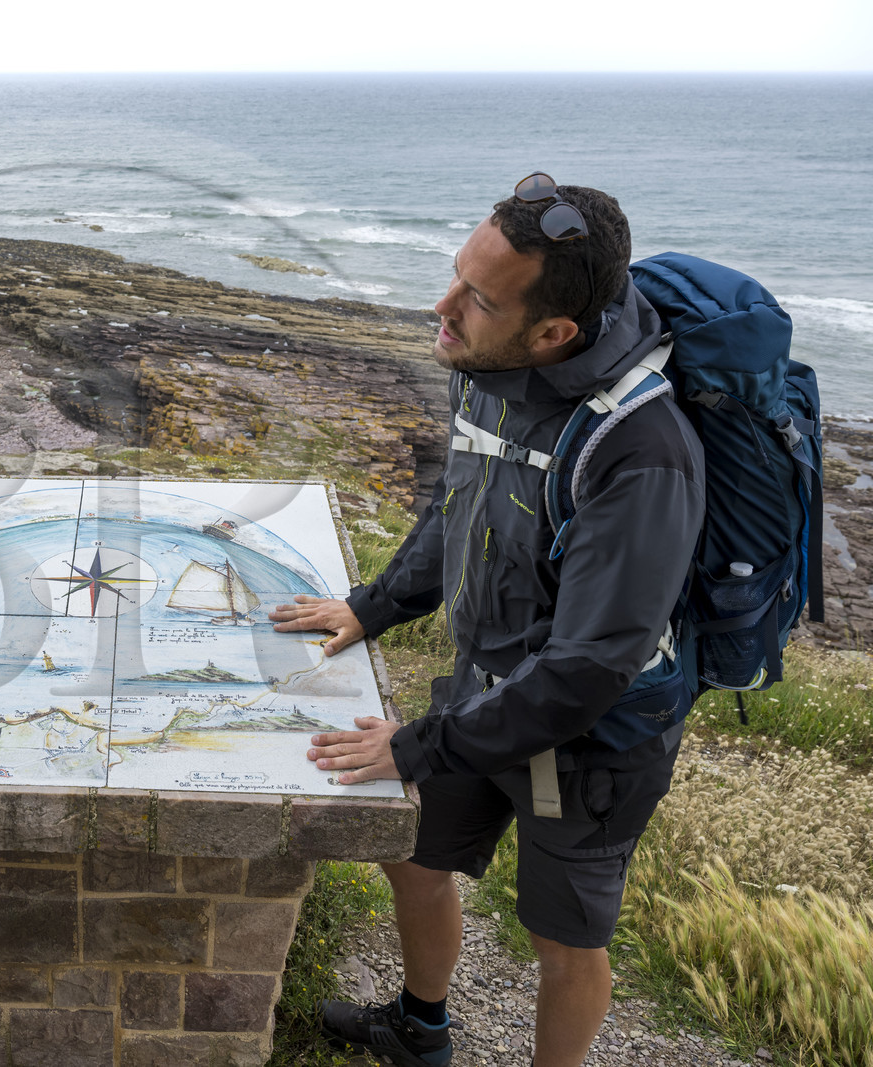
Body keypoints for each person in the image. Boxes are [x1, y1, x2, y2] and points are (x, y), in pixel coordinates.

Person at [270, 175, 703, 1067]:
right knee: (412, 854)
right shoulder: (492, 368)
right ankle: (421, 1028)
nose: (444, 305)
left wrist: (420, 744)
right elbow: (459, 504)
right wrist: (373, 605)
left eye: (476, 296)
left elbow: (587, 670)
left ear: (555, 333)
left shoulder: (642, 452)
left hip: (592, 743)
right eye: (456, 274)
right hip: (486, 690)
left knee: (562, 939)